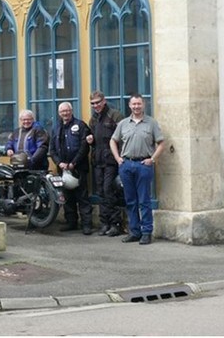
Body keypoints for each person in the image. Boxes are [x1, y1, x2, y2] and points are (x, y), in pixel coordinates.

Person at [110, 93, 165, 245]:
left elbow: (161, 143)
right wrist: (118, 158)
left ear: (143, 105)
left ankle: (146, 232)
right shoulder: (123, 124)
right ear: (129, 105)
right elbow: (113, 141)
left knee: (144, 201)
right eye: (133, 104)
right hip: (126, 165)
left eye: (139, 104)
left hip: (143, 166)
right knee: (130, 201)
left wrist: (152, 159)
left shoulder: (151, 123)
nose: (136, 106)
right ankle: (134, 231)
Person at [49, 102, 93, 235]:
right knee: (67, 198)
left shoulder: (80, 125)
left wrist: (74, 163)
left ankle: (86, 225)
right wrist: (59, 162)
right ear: (59, 113)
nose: (65, 114)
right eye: (62, 111)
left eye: (67, 111)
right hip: (62, 169)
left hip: (78, 168)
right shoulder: (56, 127)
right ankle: (71, 222)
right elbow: (52, 149)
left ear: (71, 111)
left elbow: (84, 146)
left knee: (83, 197)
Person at [86, 91, 125, 237]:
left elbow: (123, 137)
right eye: (93, 103)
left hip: (111, 160)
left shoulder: (115, 115)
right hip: (98, 160)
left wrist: (120, 157)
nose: (95, 106)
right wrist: (91, 140)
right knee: (101, 192)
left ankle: (115, 223)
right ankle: (104, 223)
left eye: (98, 102)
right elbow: (95, 139)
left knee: (109, 191)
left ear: (104, 101)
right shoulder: (93, 119)